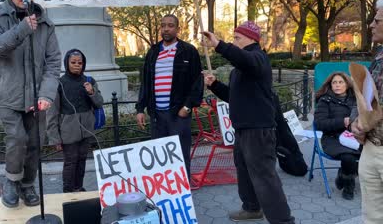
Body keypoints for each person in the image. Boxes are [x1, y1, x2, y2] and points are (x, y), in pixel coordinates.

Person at [201, 21, 294, 224]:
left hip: (258, 130)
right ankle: (252, 208)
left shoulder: (258, 59)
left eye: (237, 38)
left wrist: (219, 44)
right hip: (243, 128)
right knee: (243, 170)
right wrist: (215, 85)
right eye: (233, 38)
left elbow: (244, 59)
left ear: (252, 39)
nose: (234, 41)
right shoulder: (239, 70)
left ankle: (283, 220)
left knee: (264, 177)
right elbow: (233, 97)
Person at [0, 0, 61, 208]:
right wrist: (21, 30)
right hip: (7, 94)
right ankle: (11, 181)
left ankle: (27, 184)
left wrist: (47, 93)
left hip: (36, 95)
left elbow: (54, 61)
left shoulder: (44, 22)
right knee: (17, 138)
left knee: (35, 142)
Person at [135, 14, 203, 178]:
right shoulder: (153, 52)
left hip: (178, 114)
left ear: (178, 29)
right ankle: (165, 191)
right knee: (160, 156)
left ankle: (183, 189)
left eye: (170, 25)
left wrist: (187, 107)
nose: (166, 28)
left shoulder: (188, 51)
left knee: (180, 155)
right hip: (157, 114)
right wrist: (140, 109)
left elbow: (197, 82)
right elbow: (146, 82)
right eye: (163, 25)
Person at [46, 49, 104, 193]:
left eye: (80, 62)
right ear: (67, 63)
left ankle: (79, 187)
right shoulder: (59, 84)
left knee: (82, 159)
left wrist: (91, 92)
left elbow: (99, 103)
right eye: (73, 62)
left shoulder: (89, 81)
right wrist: (55, 138)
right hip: (68, 131)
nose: (77, 65)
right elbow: (52, 112)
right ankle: (68, 190)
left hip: (86, 129)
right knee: (71, 162)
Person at [352, 0, 383, 223]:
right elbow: (369, 99)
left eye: (377, 20)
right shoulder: (379, 57)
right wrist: (358, 122)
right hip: (371, 146)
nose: (371, 25)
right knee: (372, 214)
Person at [314, 72, 359, 200]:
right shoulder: (325, 101)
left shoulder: (355, 100)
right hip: (332, 138)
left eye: (341, 82)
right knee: (349, 157)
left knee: (369, 152)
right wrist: (341, 122)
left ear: (347, 84)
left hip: (354, 136)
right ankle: (348, 185)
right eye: (334, 82)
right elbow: (319, 123)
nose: (337, 85)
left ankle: (342, 175)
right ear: (330, 85)